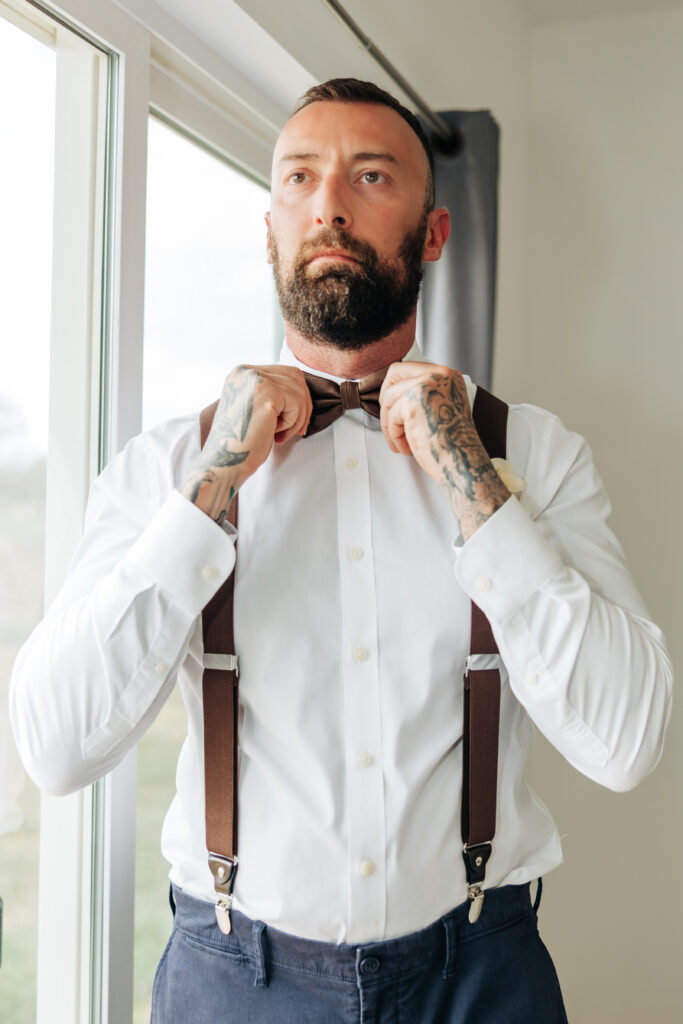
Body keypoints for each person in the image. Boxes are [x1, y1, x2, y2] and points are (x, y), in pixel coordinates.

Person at [10, 78, 672, 1023]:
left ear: (434, 233)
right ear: (269, 228)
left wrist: (472, 480)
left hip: (481, 975)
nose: (328, 202)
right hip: (233, 981)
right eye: (298, 179)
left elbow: (627, 742)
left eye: (370, 175)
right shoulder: (163, 466)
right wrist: (211, 489)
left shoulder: (537, 453)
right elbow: (55, 747)